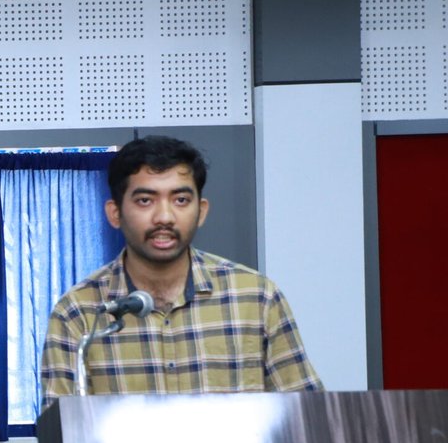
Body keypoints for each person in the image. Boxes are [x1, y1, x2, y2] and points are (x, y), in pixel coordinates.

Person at [39, 135, 322, 399]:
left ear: (201, 211)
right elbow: (63, 430)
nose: (164, 217)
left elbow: (307, 417)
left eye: (181, 200)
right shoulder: (79, 313)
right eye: (145, 200)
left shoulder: (256, 298)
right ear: (115, 213)